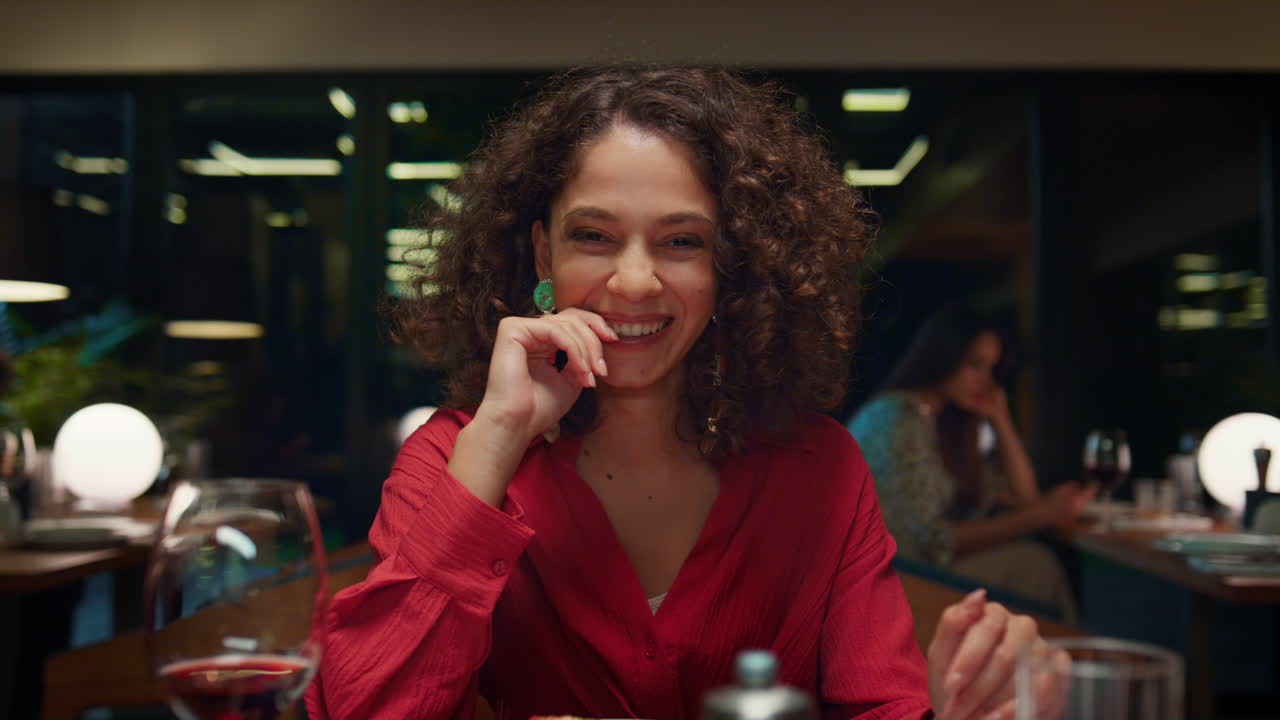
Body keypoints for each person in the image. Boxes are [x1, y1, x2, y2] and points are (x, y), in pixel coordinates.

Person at [307, 67, 1065, 720]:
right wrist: (502, 432)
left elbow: (884, 706)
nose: (635, 281)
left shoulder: (822, 469)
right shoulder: (454, 457)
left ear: (728, 268)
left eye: (681, 241)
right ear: (543, 250)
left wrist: (966, 702)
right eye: (594, 236)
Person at [848, 304, 1095, 622]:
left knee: (1034, 562)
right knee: (1036, 564)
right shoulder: (898, 418)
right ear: (942, 357)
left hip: (918, 567)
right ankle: (1064, 666)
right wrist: (1041, 515)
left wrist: (1001, 419)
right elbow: (935, 541)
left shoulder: (941, 421)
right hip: (895, 578)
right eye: (974, 365)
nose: (985, 381)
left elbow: (1024, 499)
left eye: (992, 370)